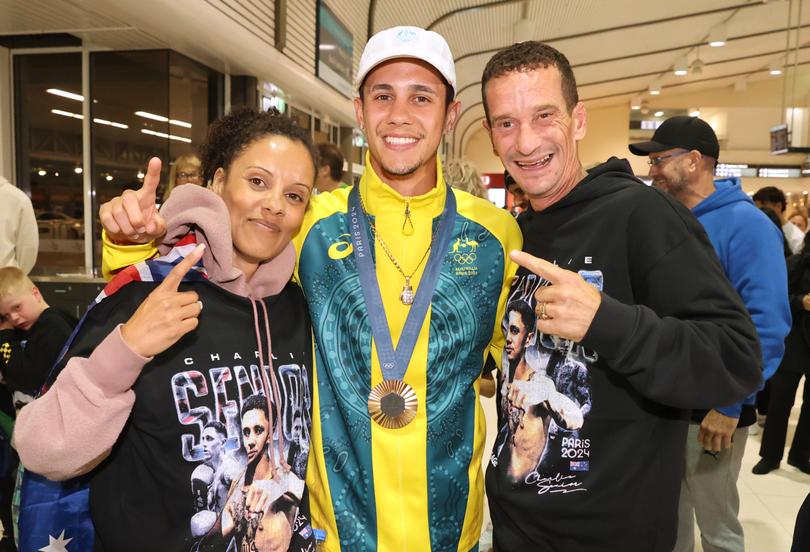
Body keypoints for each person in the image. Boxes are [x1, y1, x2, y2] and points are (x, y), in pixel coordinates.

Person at [96, 27, 521, 551]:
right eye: (382, 96)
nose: (400, 114)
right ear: (359, 111)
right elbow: (203, 267)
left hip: (456, 530)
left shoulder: (496, 234)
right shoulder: (308, 222)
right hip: (330, 533)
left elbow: (503, 364)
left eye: (422, 97)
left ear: (451, 115)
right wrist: (128, 242)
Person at [480, 41, 761, 552]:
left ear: (578, 120)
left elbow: (735, 356)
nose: (525, 141)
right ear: (490, 134)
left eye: (544, 116)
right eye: (506, 123)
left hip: (609, 534)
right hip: (516, 523)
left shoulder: (643, 216)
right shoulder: (521, 232)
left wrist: (609, 323)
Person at [14, 107, 316, 552]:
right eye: (257, 182)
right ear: (216, 182)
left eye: (294, 196)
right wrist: (126, 350)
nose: (274, 204)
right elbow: (42, 449)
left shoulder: (298, 310)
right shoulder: (147, 293)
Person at [629, 115, 791, 552]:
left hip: (713, 407)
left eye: (660, 160)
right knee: (668, 520)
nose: (652, 170)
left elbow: (768, 323)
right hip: (663, 403)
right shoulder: (667, 221)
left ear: (695, 161)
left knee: (716, 526)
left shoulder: (749, 227)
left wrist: (730, 402)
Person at [753, 229, 810, 476]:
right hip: (796, 340)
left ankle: (800, 455)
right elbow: (778, 297)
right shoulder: (797, 263)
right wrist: (802, 302)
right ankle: (770, 456)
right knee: (780, 401)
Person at [0, 266, 77, 398]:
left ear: (36, 294)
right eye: (6, 315)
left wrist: (5, 335)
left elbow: (27, 381)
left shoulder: (53, 327)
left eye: (17, 307)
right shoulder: (33, 325)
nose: (14, 318)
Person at [0, 176, 38, 274]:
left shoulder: (18, 200)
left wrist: (14, 278)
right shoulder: (18, 199)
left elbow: (28, 249)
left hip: (5, 284)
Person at [753, 186, 804, 254]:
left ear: (778, 206)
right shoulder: (762, 230)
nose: (759, 213)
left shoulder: (797, 237)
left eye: (763, 208)